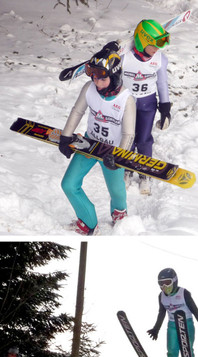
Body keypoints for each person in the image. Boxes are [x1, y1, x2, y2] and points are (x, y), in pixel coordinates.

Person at [58, 49, 136, 235]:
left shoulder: (126, 100)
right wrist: (66, 137)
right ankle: (88, 222)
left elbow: (128, 134)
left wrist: (118, 156)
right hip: (89, 144)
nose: (97, 83)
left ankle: (119, 213)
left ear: (115, 76)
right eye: (94, 77)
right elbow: (77, 112)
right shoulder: (89, 88)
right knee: (68, 184)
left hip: (112, 151)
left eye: (102, 78)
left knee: (117, 191)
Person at [118, 19, 172, 195]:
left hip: (148, 103)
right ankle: (126, 168)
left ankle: (144, 172)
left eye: (160, 44)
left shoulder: (160, 59)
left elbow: (162, 84)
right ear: (142, 41)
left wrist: (165, 108)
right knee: (128, 137)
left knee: (144, 139)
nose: (158, 48)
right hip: (127, 103)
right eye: (155, 44)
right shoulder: (123, 57)